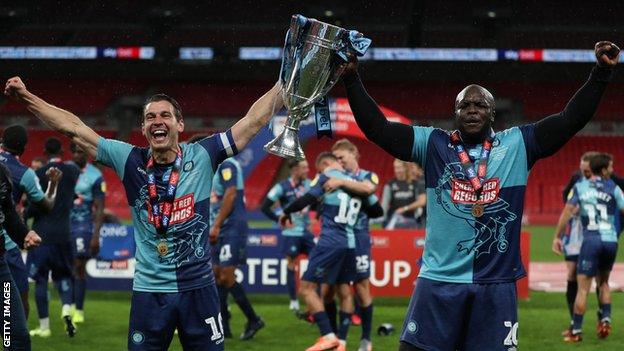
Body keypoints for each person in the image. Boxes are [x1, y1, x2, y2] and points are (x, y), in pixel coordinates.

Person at [341, 41, 620, 350]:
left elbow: (570, 120)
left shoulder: (518, 144)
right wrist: (352, 77)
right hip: (439, 280)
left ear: (491, 113)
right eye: (465, 106)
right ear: (455, 112)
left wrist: (601, 73)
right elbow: (377, 128)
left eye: (480, 105)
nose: (472, 110)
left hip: (496, 285)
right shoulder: (432, 143)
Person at [4, 76, 282, 350]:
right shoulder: (128, 159)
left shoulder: (203, 155)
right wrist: (27, 97)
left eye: (165, 115)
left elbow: (252, 121)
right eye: (150, 117)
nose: (157, 121)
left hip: (197, 289)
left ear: (180, 124)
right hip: (150, 293)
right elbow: (74, 129)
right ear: (143, 127)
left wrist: (287, 83)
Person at [279, 152, 382, 351]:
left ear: (325, 164)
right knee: (344, 290)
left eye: (319, 170)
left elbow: (306, 199)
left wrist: (286, 211)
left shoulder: (327, 177)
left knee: (307, 289)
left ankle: (328, 335)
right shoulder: (357, 183)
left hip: (330, 242)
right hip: (351, 244)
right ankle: (341, 343)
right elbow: (377, 211)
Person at [556, 153, 624, 342]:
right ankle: (605, 320)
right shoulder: (614, 187)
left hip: (591, 240)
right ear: (602, 170)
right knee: (604, 283)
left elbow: (567, 212)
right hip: (611, 240)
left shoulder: (581, 187)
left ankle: (576, 331)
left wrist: (557, 236)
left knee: (583, 289)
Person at [0, 125, 60, 320]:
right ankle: (13, 341)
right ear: (24, 148)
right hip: (7, 244)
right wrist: (53, 183)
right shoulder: (23, 173)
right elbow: (47, 205)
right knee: (17, 303)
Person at [327, 139, 379, 351]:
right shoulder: (335, 176)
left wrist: (340, 182)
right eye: (336, 158)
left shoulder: (368, 175)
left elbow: (368, 188)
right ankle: (339, 339)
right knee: (336, 289)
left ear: (354, 153)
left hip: (358, 237)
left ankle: (366, 339)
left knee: (361, 287)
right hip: (337, 237)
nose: (339, 161)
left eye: (342, 157)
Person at [27, 137, 81, 338]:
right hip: (64, 234)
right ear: (63, 152)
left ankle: (44, 327)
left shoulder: (37, 174)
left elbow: (34, 204)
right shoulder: (72, 171)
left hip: (42, 234)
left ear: (44, 151)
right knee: (65, 276)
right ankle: (67, 309)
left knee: (41, 280)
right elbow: (72, 189)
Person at [210, 156, 264, 341]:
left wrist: (216, 225)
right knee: (216, 275)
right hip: (216, 229)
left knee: (226, 275)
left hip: (231, 227)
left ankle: (253, 319)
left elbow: (231, 193)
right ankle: (224, 326)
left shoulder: (227, 164)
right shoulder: (210, 172)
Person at [552, 151, 597, 335]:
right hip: (573, 238)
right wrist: (560, 235)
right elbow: (568, 207)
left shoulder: (600, 186)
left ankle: (602, 319)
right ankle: (574, 323)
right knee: (571, 276)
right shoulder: (577, 185)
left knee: (592, 280)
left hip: (591, 237)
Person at [261, 158, 314, 311]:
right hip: (291, 233)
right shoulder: (281, 187)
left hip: (307, 232)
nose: (307, 170)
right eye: (304, 168)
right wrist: (280, 219)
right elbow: (265, 207)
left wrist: (315, 218)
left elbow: (319, 202)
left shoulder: (309, 184)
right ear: (295, 170)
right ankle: (293, 300)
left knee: (317, 261)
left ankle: (313, 296)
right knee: (291, 264)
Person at [0, 162, 43, 351]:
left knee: (16, 336)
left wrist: (23, 234)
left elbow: (7, 210)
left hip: (1, 269)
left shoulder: (1, 173)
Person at [68, 141, 106, 324]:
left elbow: (99, 208)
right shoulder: (64, 170)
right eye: (74, 152)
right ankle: (68, 306)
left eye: (81, 152)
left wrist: (96, 235)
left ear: (86, 154)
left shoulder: (95, 175)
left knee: (79, 267)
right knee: (66, 268)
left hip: (83, 225)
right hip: (63, 225)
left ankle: (79, 310)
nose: (77, 155)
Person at [381, 159, 426, 229]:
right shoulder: (389, 185)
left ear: (405, 168)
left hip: (411, 221)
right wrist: (382, 220)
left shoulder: (415, 184)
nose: (397, 170)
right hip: (394, 221)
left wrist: (404, 209)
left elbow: (420, 203)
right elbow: (384, 205)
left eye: (399, 168)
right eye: (395, 168)